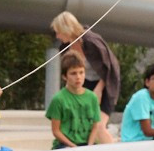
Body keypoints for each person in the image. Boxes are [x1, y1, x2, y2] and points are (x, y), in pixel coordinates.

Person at [50, 11, 119, 144]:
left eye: (58, 32)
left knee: (99, 125)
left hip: (105, 82)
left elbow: (109, 67)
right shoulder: (65, 47)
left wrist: (99, 89)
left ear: (66, 29)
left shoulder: (91, 41)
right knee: (87, 125)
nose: (57, 36)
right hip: (85, 82)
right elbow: (69, 71)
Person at [46, 52, 104, 149]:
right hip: (65, 145)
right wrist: (73, 146)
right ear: (64, 76)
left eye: (81, 72)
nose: (78, 77)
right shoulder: (58, 99)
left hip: (88, 144)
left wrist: (89, 146)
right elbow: (56, 131)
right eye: (73, 73)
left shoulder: (92, 97)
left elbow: (95, 126)